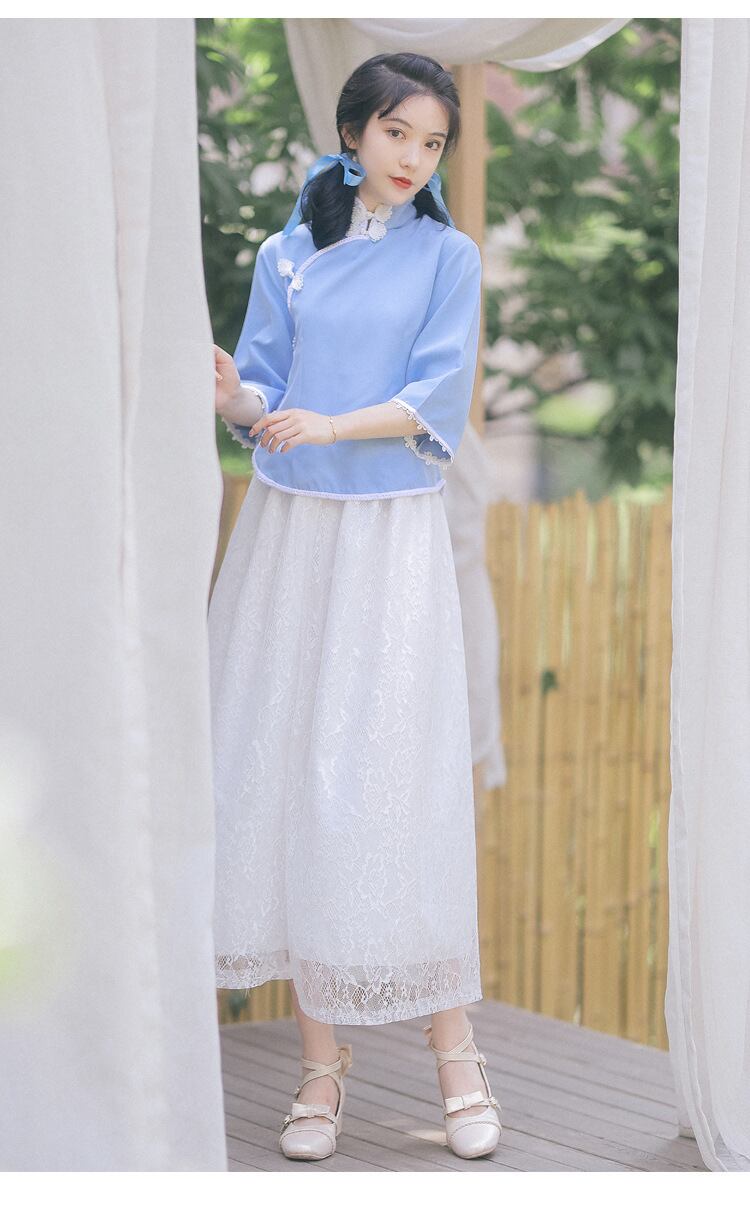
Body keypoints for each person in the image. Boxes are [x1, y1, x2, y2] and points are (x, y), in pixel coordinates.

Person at [209, 51, 502, 1163]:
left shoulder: (450, 257)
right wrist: (234, 396)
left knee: (396, 779)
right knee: (292, 777)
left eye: (432, 142)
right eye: (396, 134)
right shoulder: (286, 255)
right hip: (292, 535)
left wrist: (331, 424)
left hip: (390, 539)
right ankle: (319, 1072)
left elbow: (437, 396)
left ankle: (456, 1055)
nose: (414, 157)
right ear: (353, 133)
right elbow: (266, 400)